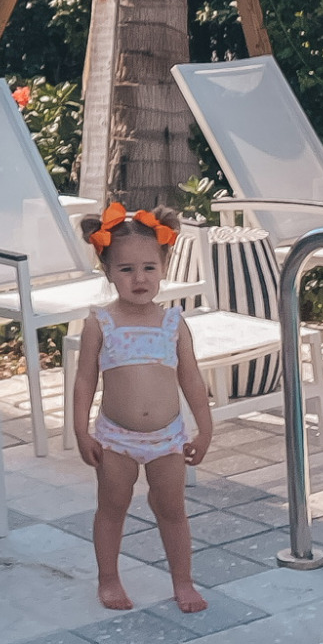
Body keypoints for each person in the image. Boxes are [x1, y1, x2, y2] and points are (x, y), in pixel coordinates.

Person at [70, 202, 213, 615]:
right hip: (116, 438)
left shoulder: (172, 322)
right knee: (112, 507)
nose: (139, 278)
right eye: (126, 269)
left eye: (149, 268)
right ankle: (108, 578)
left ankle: (183, 582)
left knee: (172, 510)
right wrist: (82, 431)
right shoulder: (101, 322)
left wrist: (204, 430)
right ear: (107, 271)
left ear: (164, 266)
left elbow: (191, 378)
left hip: (168, 438)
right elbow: (85, 380)